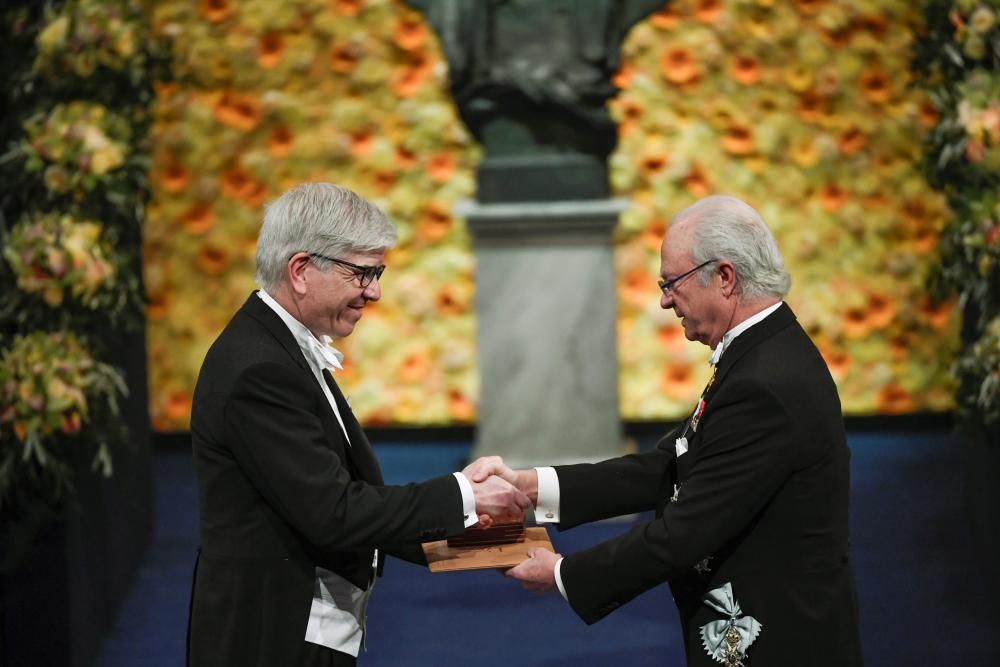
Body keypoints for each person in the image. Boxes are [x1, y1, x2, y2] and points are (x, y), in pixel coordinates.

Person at [469, 195, 863, 666]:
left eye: (671, 283)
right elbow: (673, 466)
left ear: (724, 277)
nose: (663, 300)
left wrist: (562, 573)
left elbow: (684, 533)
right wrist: (533, 487)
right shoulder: (764, 353)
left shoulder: (766, 382)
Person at [187, 182, 530, 667]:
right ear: (301, 271)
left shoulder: (282, 348)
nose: (375, 291)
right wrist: (465, 496)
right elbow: (334, 513)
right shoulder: (257, 369)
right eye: (362, 273)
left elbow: (348, 499)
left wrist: (495, 543)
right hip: (272, 640)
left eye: (378, 271)